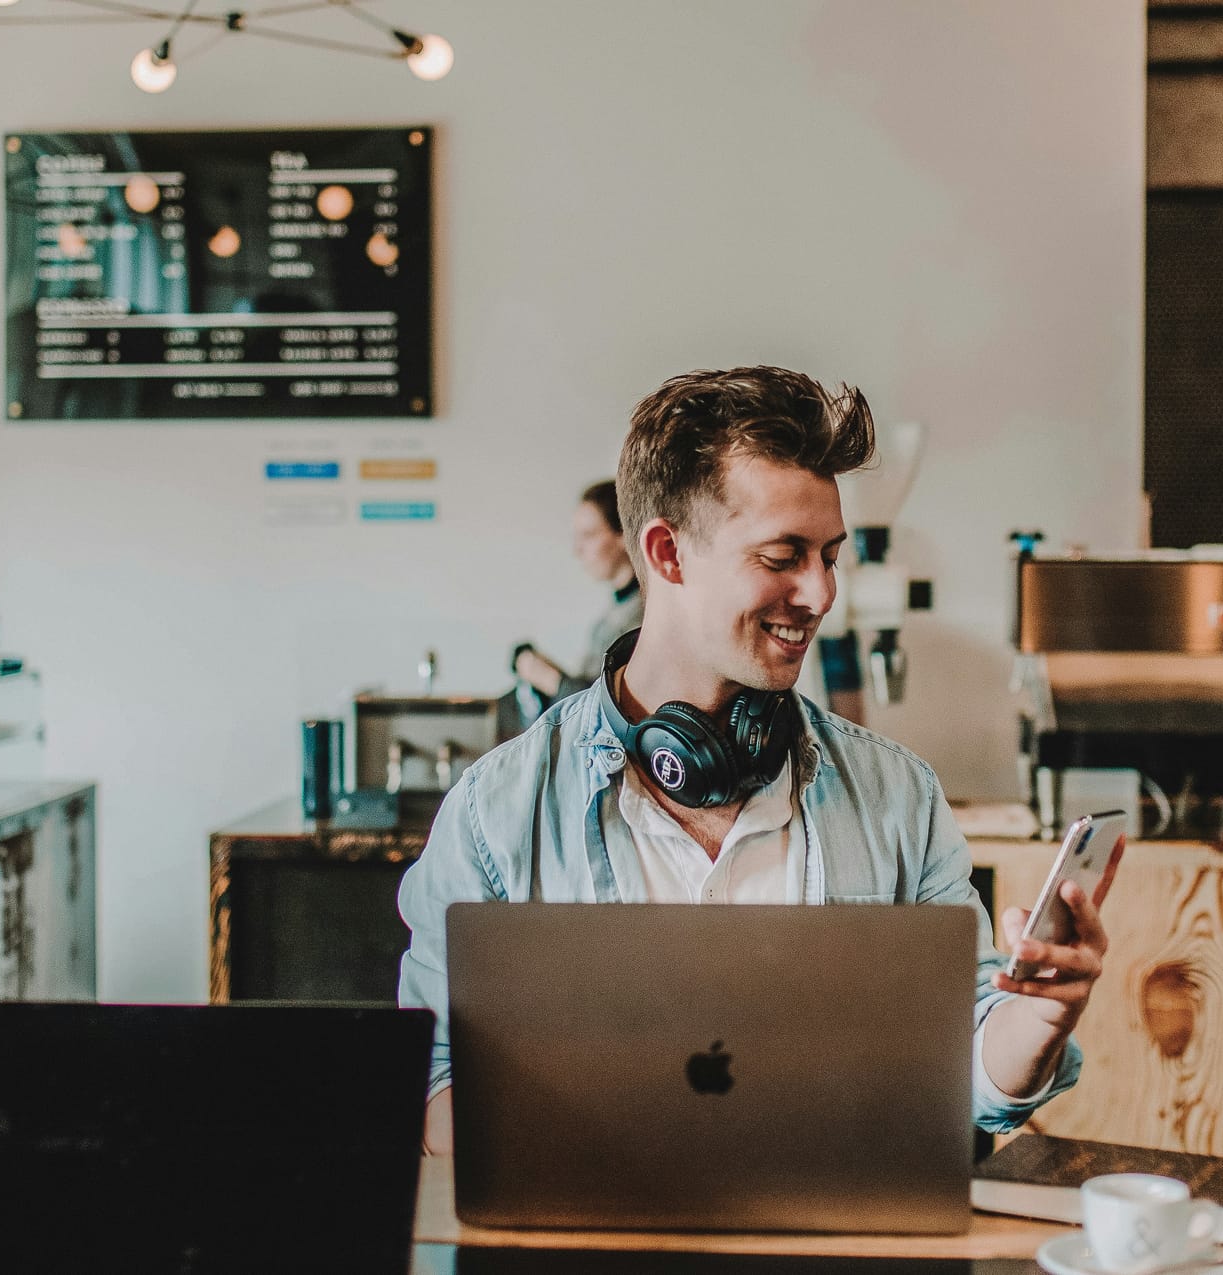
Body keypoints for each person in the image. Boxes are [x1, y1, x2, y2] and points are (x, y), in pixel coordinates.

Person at [398, 366, 1111, 1156]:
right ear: (667, 553)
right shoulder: (494, 814)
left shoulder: (898, 795)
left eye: (830, 556)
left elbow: (970, 1072)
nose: (819, 593)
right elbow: (430, 1085)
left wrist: (1037, 1017)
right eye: (783, 556)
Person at [512, 481, 645, 703]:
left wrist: (547, 677)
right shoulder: (616, 611)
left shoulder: (644, 615)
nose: (578, 550)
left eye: (589, 535)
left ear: (623, 534)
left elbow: (609, 708)